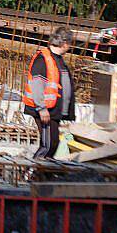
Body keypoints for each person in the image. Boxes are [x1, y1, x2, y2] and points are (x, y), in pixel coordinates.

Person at [23, 26, 76, 159]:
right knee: (48, 145)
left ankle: (42, 175)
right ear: (64, 43)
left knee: (53, 144)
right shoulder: (43, 58)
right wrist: (41, 108)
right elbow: (37, 84)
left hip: (53, 111)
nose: (70, 47)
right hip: (45, 110)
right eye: (70, 44)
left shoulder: (57, 59)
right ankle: (31, 175)